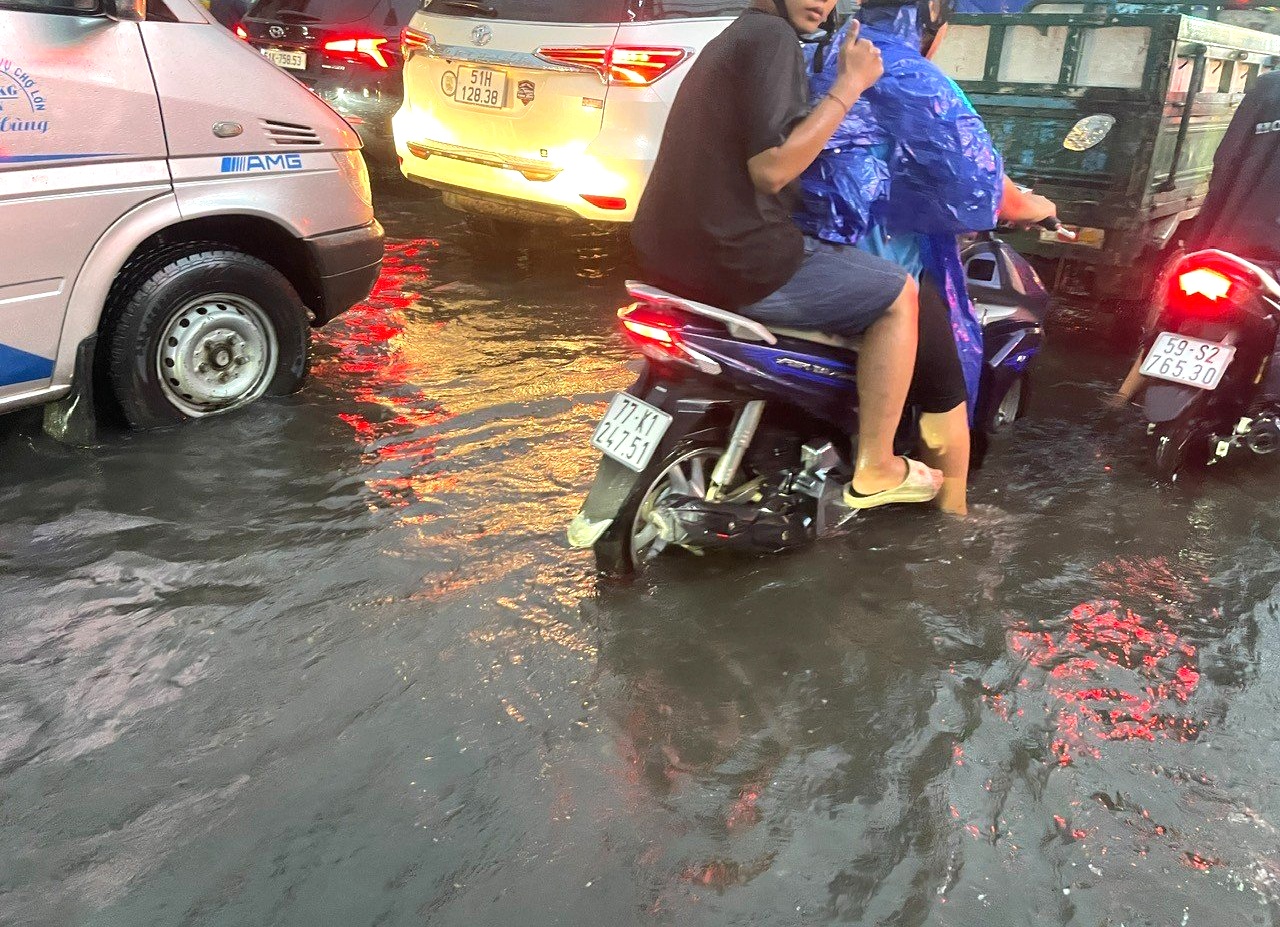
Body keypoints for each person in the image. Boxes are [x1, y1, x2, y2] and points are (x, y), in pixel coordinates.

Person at [632, 0, 944, 510]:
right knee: (899, 295)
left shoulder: (732, 38)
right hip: (739, 263)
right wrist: (850, 84)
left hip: (665, 256)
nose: (825, 3)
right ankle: (877, 466)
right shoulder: (773, 39)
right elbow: (773, 169)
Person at [798, 0, 1055, 514]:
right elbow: (980, 181)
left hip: (802, 248)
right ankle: (954, 522)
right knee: (947, 390)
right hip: (880, 259)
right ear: (929, 12)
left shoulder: (818, 54)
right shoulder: (912, 73)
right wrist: (1037, 206)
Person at [1112, 69, 1280, 406]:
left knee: (1174, 314)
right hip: (1269, 252)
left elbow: (1226, 159)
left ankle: (1121, 396)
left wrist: (1205, 234)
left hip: (1224, 237)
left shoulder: (1268, 85)